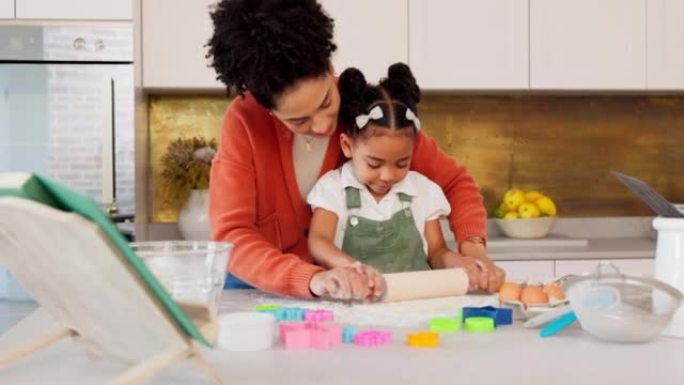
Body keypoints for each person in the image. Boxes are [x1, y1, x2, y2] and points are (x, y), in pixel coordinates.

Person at [206, 0, 504, 301]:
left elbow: (455, 183)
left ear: (329, 67)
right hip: (264, 293)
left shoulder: (366, 110)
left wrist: (473, 249)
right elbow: (233, 235)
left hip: (357, 298)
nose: (323, 126)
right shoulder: (244, 123)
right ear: (267, 108)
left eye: (325, 102)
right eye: (299, 120)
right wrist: (312, 279)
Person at [307, 63, 492, 293]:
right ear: (347, 145)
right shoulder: (333, 188)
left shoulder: (422, 190)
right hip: (358, 308)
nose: (387, 175)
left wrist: (462, 263)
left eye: (402, 163)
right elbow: (318, 242)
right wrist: (351, 267)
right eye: (374, 163)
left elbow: (436, 253)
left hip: (418, 304)